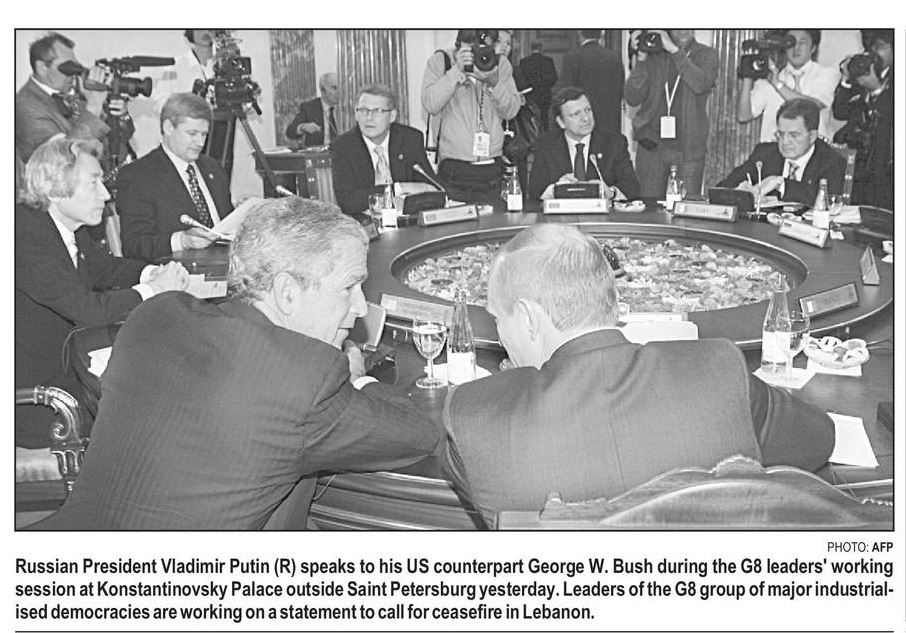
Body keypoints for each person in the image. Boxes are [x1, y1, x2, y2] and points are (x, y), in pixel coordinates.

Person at [33, 197, 440, 530]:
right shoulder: (305, 379)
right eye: (350, 287)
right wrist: (358, 377)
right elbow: (419, 434)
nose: (360, 307)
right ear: (287, 293)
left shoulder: (156, 315)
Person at [441, 223, 835, 528]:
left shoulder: (474, 417)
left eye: (497, 318)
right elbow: (818, 440)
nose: (499, 334)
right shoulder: (718, 368)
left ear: (528, 318)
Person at [15, 137, 189, 448]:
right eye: (93, 182)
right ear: (54, 189)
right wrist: (154, 289)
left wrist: (151, 273)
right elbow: (87, 309)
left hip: (72, 373)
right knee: (165, 410)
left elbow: (104, 268)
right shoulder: (22, 235)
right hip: (41, 403)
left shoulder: (64, 227)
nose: (106, 194)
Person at [116, 93, 233, 262]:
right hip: (177, 271)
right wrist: (181, 241)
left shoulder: (213, 168)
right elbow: (134, 245)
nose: (200, 142)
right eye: (192, 133)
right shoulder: (138, 176)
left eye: (204, 134)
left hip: (227, 264)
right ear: (168, 127)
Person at [422, 29, 521, 204]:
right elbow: (431, 104)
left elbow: (511, 111)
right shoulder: (441, 61)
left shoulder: (500, 64)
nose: (478, 54)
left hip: (492, 167)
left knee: (494, 220)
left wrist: (494, 83)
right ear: (458, 45)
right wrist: (456, 71)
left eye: (484, 47)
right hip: (454, 168)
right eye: (472, 48)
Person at [625, 29, 718, 198]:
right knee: (649, 208)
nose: (683, 30)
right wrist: (641, 58)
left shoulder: (706, 55)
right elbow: (632, 97)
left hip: (688, 149)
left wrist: (674, 51)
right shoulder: (654, 54)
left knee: (686, 208)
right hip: (652, 147)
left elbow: (700, 84)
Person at [330, 83, 437, 217]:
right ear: (356, 115)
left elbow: (429, 186)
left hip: (408, 220)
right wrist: (400, 188)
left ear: (392, 116)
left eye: (377, 111)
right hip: (365, 224)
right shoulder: (343, 146)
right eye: (363, 110)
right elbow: (348, 201)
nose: (369, 117)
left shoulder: (410, 139)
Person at [718, 98, 845, 206]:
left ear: (812, 136)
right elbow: (722, 187)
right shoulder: (764, 153)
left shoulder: (831, 162)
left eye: (794, 135)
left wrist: (780, 183)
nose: (785, 142)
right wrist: (739, 192)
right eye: (781, 134)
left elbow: (826, 201)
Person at [15, 32, 119, 163]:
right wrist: (94, 105)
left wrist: (117, 113)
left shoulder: (71, 96)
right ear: (42, 67)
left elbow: (110, 142)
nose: (73, 74)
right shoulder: (25, 107)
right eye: (67, 67)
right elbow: (63, 160)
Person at [528, 86, 640, 201]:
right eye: (576, 114)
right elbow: (534, 193)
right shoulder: (546, 146)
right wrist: (555, 190)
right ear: (561, 122)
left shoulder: (614, 143)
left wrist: (611, 193)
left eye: (588, 110)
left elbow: (632, 188)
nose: (586, 118)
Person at [737, 29, 839, 143]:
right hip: (776, 148)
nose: (796, 48)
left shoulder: (827, 74)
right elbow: (743, 116)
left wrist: (777, 84)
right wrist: (747, 74)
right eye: (791, 42)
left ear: (813, 48)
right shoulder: (770, 77)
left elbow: (813, 106)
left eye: (802, 42)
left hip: (815, 149)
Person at [832, 29, 893, 210]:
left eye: (879, 47)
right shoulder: (861, 69)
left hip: (886, 163)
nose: (873, 53)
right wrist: (846, 80)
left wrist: (876, 89)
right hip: (858, 161)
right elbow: (840, 112)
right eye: (868, 47)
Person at [559, 29, 624, 134]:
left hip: (582, 120)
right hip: (609, 120)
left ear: (580, 33)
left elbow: (566, 93)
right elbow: (620, 89)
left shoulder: (571, 58)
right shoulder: (614, 57)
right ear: (601, 34)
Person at [285, 72, 340, 147]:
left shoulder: (347, 108)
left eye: (340, 88)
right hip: (317, 153)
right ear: (323, 90)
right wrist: (303, 127)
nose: (339, 92)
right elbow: (290, 132)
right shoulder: (309, 108)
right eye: (334, 88)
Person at [518, 41, 558, 132]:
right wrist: (546, 86)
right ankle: (545, 134)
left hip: (529, 94)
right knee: (544, 117)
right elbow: (554, 78)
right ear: (541, 48)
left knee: (530, 118)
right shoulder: (548, 60)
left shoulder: (524, 61)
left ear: (531, 48)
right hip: (545, 93)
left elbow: (521, 79)